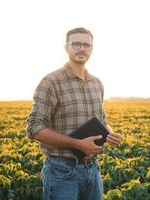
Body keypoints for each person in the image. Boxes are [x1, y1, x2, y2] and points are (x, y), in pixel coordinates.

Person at [26, 27, 121, 200]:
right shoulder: (51, 82)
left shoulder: (97, 83)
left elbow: (103, 120)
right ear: (66, 48)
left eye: (86, 44)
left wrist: (110, 133)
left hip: (93, 169)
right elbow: (34, 128)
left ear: (92, 49)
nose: (82, 48)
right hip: (61, 171)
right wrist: (77, 144)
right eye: (76, 43)